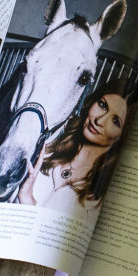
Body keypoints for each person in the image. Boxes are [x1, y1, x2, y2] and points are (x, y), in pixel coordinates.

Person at [17, 81, 131, 217]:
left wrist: (28, 200)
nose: (99, 121)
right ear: (92, 102)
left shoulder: (105, 193)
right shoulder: (48, 144)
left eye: (115, 121)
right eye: (102, 105)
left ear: (122, 136)